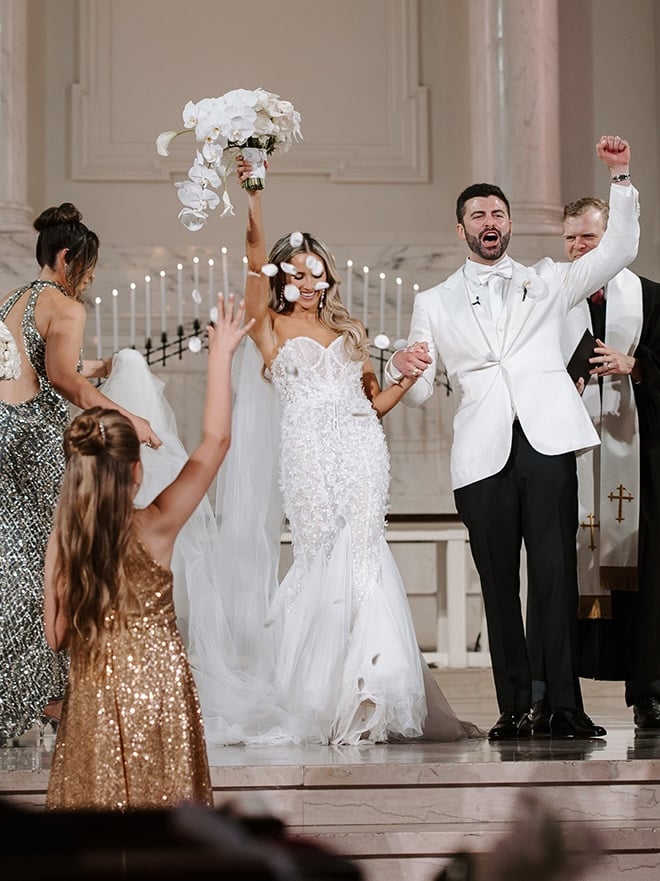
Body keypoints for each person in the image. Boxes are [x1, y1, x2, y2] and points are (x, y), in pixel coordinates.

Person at [385, 136, 639, 740]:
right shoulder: (434, 300)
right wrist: (403, 367)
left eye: (498, 213)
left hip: (547, 443)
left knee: (553, 576)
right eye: (479, 215)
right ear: (461, 229)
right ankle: (516, 707)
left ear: (509, 224)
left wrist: (620, 178)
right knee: (500, 585)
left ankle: (564, 707)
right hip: (481, 456)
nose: (490, 222)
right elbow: (421, 392)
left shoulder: (550, 279)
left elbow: (620, 247)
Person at [221, 154, 480, 745]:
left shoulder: (348, 333)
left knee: (364, 551)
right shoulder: (268, 326)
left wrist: (408, 375)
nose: (311, 286)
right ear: (283, 278)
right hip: (307, 453)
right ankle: (316, 693)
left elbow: (375, 405)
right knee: (319, 552)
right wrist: (255, 195)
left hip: (363, 451)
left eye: (319, 276)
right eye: (299, 275)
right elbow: (252, 255)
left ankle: (372, 690)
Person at [43, 293, 251, 810]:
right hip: (160, 702)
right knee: (164, 828)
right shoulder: (156, 527)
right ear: (137, 470)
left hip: (92, 704)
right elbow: (214, 443)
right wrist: (221, 355)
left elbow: (55, 636)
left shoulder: (65, 541)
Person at [0, 202, 161, 746]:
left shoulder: (14, 300)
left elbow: (37, 368)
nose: (87, 283)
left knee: (12, 558)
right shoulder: (65, 306)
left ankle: (29, 693)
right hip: (32, 441)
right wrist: (127, 417)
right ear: (67, 258)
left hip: (3, 431)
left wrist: (100, 368)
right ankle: (44, 697)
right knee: (48, 562)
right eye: (86, 271)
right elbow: (64, 383)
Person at [527, 196, 660, 734]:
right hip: (567, 460)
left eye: (590, 239)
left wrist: (638, 365)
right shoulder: (550, 300)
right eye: (571, 240)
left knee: (645, 577)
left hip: (640, 462)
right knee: (556, 572)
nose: (579, 249)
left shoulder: (651, 299)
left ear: (615, 240)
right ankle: (553, 696)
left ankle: (649, 691)